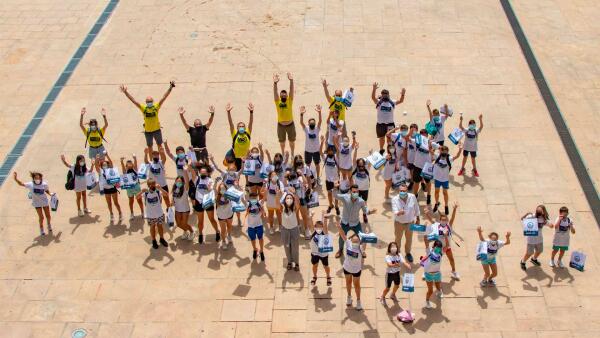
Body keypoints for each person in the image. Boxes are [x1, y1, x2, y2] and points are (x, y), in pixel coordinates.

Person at [120, 81, 174, 154]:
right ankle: (152, 161)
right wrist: (126, 92)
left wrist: (170, 88)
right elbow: (134, 101)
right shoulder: (144, 108)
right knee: (149, 146)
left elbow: (164, 97)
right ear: (146, 102)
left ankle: (161, 158)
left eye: (150, 101)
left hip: (157, 129)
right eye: (148, 101)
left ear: (153, 101)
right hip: (148, 131)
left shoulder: (156, 107)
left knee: (159, 145)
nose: (149, 102)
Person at [333, 183, 369, 259]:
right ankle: (340, 250)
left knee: (361, 237)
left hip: (355, 223)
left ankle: (362, 250)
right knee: (341, 238)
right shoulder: (345, 197)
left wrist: (370, 211)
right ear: (350, 191)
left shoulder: (361, 201)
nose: (355, 193)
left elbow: (365, 210)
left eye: (357, 192)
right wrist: (335, 188)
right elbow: (336, 195)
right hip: (345, 223)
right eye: (353, 192)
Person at [425, 204, 460, 280]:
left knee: (451, 259)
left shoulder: (448, 226)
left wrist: (454, 209)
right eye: (442, 220)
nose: (444, 221)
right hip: (438, 247)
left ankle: (454, 272)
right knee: (430, 259)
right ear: (440, 220)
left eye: (445, 220)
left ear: (447, 220)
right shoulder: (436, 225)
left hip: (447, 247)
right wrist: (427, 213)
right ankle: (426, 271)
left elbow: (452, 218)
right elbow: (431, 220)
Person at [371, 83, 406, 154]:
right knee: (381, 138)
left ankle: (390, 151)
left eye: (386, 94)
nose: (385, 95)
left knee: (390, 139)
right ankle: (381, 150)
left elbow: (401, 101)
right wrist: (374, 89)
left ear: (388, 95)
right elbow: (373, 98)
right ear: (382, 95)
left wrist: (403, 94)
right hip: (380, 124)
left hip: (390, 124)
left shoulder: (392, 102)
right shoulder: (379, 102)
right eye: (383, 94)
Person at [190, 164, 220, 244]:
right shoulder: (197, 179)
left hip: (208, 202)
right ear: (199, 172)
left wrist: (209, 188)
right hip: (199, 202)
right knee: (200, 221)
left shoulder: (210, 180)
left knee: (212, 219)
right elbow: (192, 172)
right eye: (201, 172)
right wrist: (189, 165)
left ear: (207, 173)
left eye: (204, 173)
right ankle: (200, 234)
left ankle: (217, 231)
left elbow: (212, 189)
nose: (203, 174)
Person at [336, 225, 364, 311]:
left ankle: (358, 301)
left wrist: (365, 235)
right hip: (347, 268)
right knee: (348, 283)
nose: (355, 237)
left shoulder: (361, 247)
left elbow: (365, 243)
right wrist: (339, 227)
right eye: (353, 237)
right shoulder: (348, 243)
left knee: (356, 285)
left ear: (359, 240)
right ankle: (349, 297)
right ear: (351, 239)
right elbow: (342, 234)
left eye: (357, 237)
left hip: (356, 270)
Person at [391, 183, 420, 263]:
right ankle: (397, 253)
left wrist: (418, 218)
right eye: (400, 191)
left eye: (404, 191)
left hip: (410, 222)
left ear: (407, 190)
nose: (402, 192)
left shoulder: (412, 197)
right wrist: (399, 212)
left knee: (409, 239)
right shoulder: (394, 199)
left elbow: (416, 207)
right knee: (398, 239)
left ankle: (408, 253)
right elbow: (395, 211)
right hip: (399, 223)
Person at [137, 179, 169, 249]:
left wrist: (160, 188)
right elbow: (137, 197)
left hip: (159, 213)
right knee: (152, 227)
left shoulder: (158, 191)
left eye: (154, 184)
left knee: (160, 226)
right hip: (150, 215)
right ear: (148, 185)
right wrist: (141, 192)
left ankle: (162, 239)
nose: (153, 186)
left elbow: (166, 194)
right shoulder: (145, 193)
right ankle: (154, 240)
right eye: (151, 185)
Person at [432, 145, 463, 215]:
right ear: (440, 151)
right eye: (442, 152)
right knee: (436, 192)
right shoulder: (437, 156)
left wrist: (460, 149)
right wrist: (433, 145)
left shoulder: (449, 158)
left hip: (445, 179)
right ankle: (436, 204)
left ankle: (446, 206)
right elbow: (430, 152)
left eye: (445, 152)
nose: (443, 154)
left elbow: (457, 156)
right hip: (437, 179)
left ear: (447, 152)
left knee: (445, 193)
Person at [411, 128, 438, 204]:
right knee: (416, 182)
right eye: (421, 135)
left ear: (427, 135)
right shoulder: (417, 141)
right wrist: (411, 131)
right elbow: (407, 138)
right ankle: (415, 196)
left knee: (428, 182)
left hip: (427, 166)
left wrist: (431, 150)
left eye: (424, 134)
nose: (423, 136)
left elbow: (438, 150)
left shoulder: (431, 143)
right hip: (417, 165)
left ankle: (429, 196)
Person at [520, 205, 550, 271]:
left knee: (539, 251)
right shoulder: (531, 216)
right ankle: (523, 262)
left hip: (539, 239)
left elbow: (550, 225)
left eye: (540, 210)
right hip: (531, 239)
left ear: (543, 211)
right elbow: (522, 219)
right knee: (529, 253)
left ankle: (534, 259)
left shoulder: (543, 219)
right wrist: (526, 214)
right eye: (538, 210)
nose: (538, 212)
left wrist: (551, 225)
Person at [226, 103, 254, 171]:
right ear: (237, 128)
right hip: (236, 157)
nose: (241, 127)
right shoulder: (235, 134)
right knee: (235, 173)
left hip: (246, 157)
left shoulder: (248, 133)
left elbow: (251, 123)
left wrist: (251, 112)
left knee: (247, 173)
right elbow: (231, 123)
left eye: (242, 126)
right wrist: (228, 112)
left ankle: (247, 182)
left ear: (245, 128)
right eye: (240, 126)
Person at [95, 153, 122, 222]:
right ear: (101, 166)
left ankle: (120, 213)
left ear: (107, 165)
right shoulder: (100, 172)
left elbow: (111, 162)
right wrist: (97, 159)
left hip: (113, 188)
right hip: (106, 189)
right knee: (109, 203)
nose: (105, 165)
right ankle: (111, 214)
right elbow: (96, 166)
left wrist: (107, 155)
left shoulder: (110, 170)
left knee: (116, 203)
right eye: (103, 164)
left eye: (106, 164)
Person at [274, 73, 296, 156]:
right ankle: (283, 153)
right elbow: (275, 92)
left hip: (290, 125)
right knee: (282, 142)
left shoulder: (289, 100)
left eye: (285, 94)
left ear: (287, 96)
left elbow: (291, 90)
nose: (283, 94)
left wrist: (291, 80)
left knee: (292, 141)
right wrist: (275, 83)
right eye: (282, 94)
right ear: (280, 96)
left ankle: (292, 154)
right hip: (281, 126)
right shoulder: (277, 101)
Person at [300, 105, 323, 184]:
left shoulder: (317, 128)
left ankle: (318, 178)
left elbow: (320, 121)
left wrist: (319, 112)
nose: (312, 123)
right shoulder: (306, 129)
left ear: (315, 123)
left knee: (317, 165)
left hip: (316, 150)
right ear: (309, 123)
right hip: (308, 151)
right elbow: (301, 123)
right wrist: (301, 114)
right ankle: (309, 178)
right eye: (311, 122)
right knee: (308, 165)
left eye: (313, 122)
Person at [310, 211, 332, 286]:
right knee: (314, 265)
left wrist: (325, 218)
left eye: (320, 226)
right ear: (315, 227)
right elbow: (310, 224)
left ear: (322, 227)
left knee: (326, 266)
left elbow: (325, 226)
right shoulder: (313, 232)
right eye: (317, 226)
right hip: (315, 253)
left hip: (323, 253)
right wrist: (311, 216)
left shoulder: (324, 232)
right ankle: (314, 276)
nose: (318, 228)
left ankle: (328, 277)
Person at [319, 135, 340, 215]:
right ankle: (331, 205)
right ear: (327, 152)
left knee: (336, 195)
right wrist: (322, 142)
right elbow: (320, 151)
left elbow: (338, 151)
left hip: (335, 180)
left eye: (332, 151)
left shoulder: (336, 157)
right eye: (329, 151)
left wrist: (335, 142)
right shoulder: (326, 158)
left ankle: (337, 206)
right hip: (328, 180)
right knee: (329, 194)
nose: (330, 152)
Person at [172, 170, 194, 240]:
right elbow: (173, 198)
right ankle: (185, 231)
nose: (179, 183)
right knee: (178, 224)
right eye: (177, 181)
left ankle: (191, 232)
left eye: (180, 182)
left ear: (183, 182)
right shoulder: (174, 189)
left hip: (185, 209)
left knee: (184, 223)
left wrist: (185, 171)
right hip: (177, 209)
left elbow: (187, 180)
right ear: (175, 182)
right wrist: (172, 202)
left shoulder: (185, 188)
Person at [119, 155, 144, 220]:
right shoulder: (125, 171)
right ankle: (132, 213)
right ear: (126, 166)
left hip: (136, 187)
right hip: (129, 188)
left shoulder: (135, 169)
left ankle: (142, 213)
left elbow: (135, 162)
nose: (130, 165)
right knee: (131, 201)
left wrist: (135, 158)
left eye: (131, 163)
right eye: (128, 164)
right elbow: (122, 167)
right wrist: (121, 161)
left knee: (139, 201)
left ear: (132, 165)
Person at [281, 192, 301, 271]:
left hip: (294, 230)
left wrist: (293, 194)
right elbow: (277, 201)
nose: (289, 199)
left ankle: (296, 263)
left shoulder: (295, 208)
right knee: (287, 247)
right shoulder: (282, 208)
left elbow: (297, 203)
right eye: (287, 198)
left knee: (295, 248)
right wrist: (279, 193)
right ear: (284, 200)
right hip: (285, 230)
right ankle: (289, 262)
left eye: (290, 198)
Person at [422, 239, 444, 309]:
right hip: (428, 275)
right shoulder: (429, 251)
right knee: (430, 291)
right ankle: (427, 301)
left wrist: (446, 236)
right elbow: (426, 241)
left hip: (437, 274)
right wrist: (425, 232)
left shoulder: (440, 253)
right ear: (434, 246)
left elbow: (448, 246)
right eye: (437, 247)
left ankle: (439, 292)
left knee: (438, 287)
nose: (438, 249)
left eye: (440, 248)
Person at [245, 191, 266, 261]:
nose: (254, 199)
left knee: (261, 239)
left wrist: (265, 190)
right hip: (251, 227)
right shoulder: (248, 204)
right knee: (253, 240)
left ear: (257, 198)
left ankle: (261, 251)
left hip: (259, 225)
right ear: (250, 198)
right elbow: (242, 199)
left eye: (255, 198)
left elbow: (265, 197)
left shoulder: (259, 203)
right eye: (252, 198)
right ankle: (255, 249)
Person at [215, 181, 234, 249]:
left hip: (229, 214)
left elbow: (237, 196)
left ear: (226, 189)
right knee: (223, 230)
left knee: (229, 227)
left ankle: (229, 236)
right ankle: (223, 241)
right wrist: (215, 183)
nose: (222, 190)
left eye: (224, 189)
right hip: (221, 216)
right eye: (221, 189)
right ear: (219, 190)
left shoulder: (230, 195)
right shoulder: (217, 197)